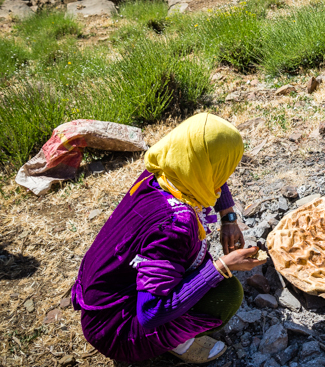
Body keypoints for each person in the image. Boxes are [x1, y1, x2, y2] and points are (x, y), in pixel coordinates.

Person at [72, 113, 267, 363]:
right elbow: (151, 313)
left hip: (100, 298)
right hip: (117, 330)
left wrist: (228, 217)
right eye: (225, 166)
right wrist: (222, 267)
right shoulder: (176, 226)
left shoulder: (163, 171)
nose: (224, 175)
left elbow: (208, 175)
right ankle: (178, 344)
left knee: (193, 264)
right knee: (226, 294)